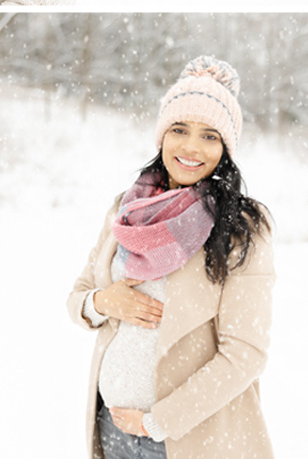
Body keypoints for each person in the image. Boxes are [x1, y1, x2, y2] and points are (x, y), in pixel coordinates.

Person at [67, 57, 274, 459]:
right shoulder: (126, 210)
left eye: (209, 136)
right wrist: (102, 302)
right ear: (162, 135)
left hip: (188, 441)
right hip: (110, 429)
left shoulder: (240, 228)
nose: (191, 147)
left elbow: (245, 353)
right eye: (179, 129)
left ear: (226, 148)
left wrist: (158, 422)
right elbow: (78, 295)